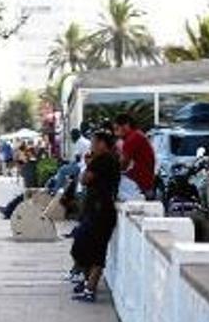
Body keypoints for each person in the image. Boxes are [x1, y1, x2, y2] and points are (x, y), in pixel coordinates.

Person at [71, 130, 121, 303]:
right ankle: (87, 284)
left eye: (93, 142)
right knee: (85, 247)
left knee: (94, 249)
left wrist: (88, 164)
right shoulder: (109, 159)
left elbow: (84, 179)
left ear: (101, 144)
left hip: (101, 211)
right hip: (99, 210)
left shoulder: (103, 159)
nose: (91, 146)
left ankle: (90, 288)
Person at [113, 113, 155, 199]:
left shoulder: (132, 139)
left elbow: (123, 164)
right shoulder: (137, 135)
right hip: (145, 181)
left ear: (126, 126)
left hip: (138, 184)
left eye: (117, 129)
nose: (115, 133)